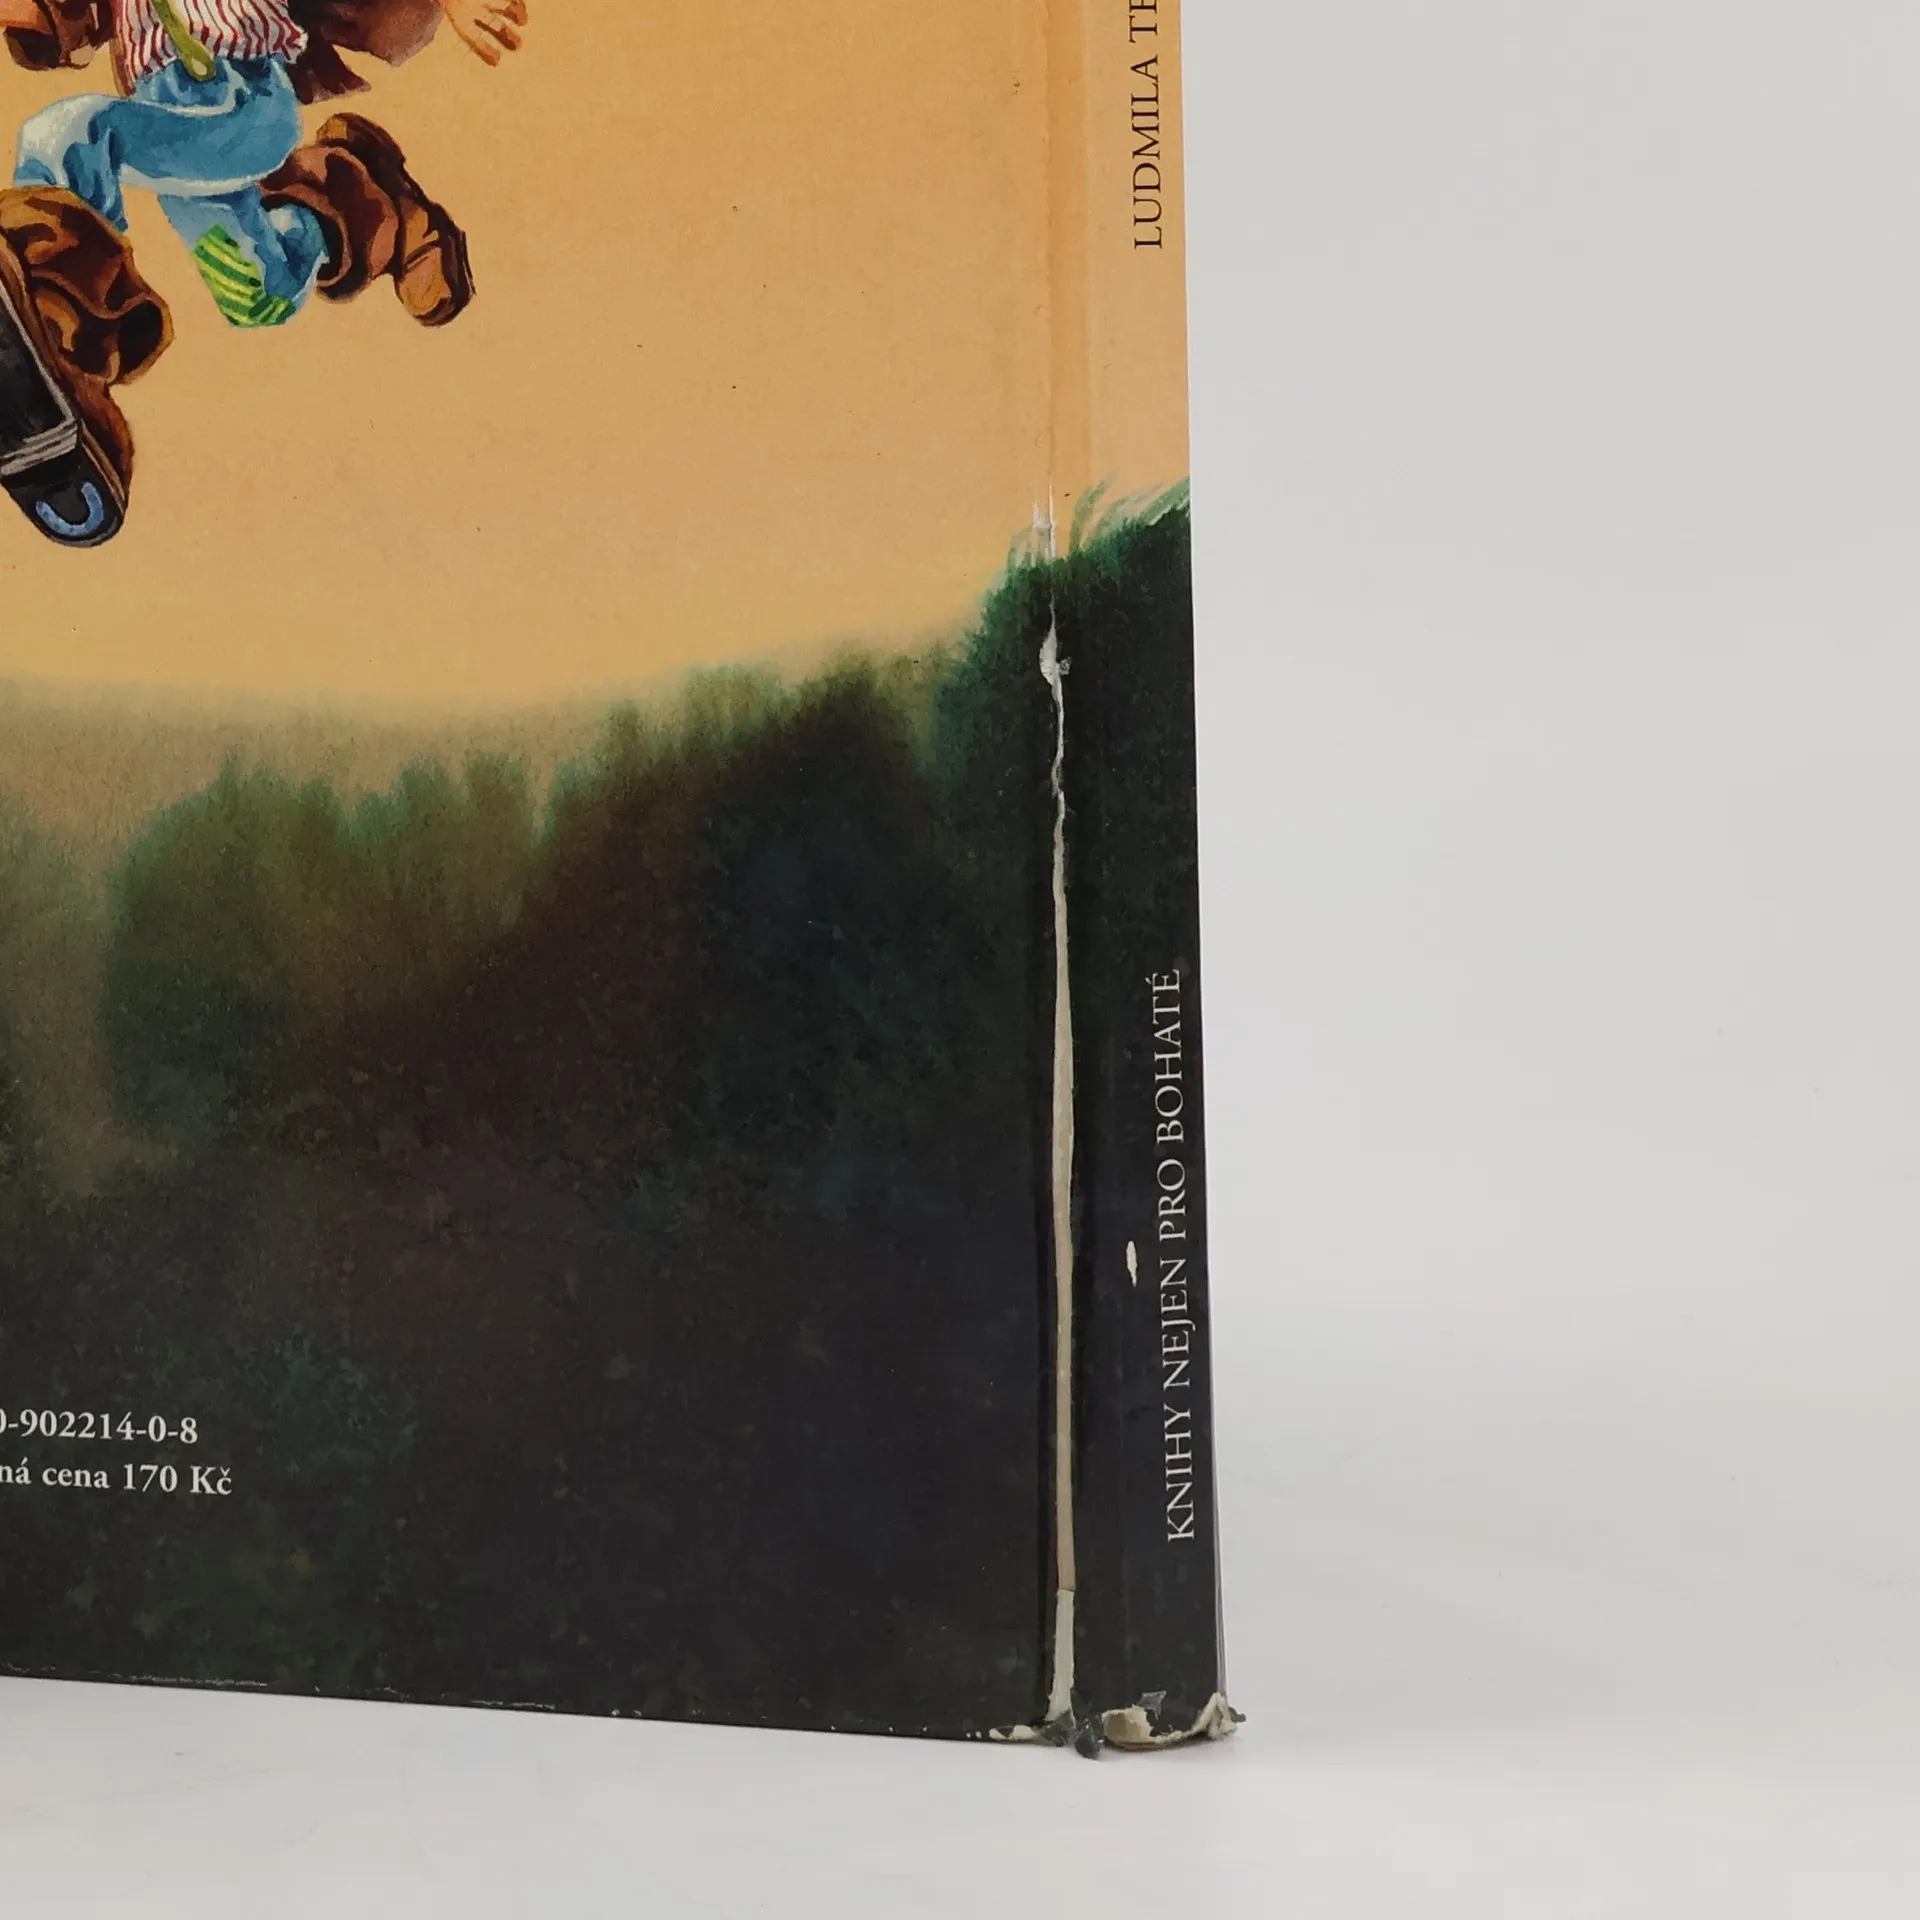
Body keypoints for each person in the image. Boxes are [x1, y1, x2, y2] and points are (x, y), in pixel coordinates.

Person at [0, 0, 526, 544]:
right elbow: (74, 19)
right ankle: (359, 196)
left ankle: (61, 325)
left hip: (239, 93)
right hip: (165, 112)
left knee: (67, 134)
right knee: (255, 293)